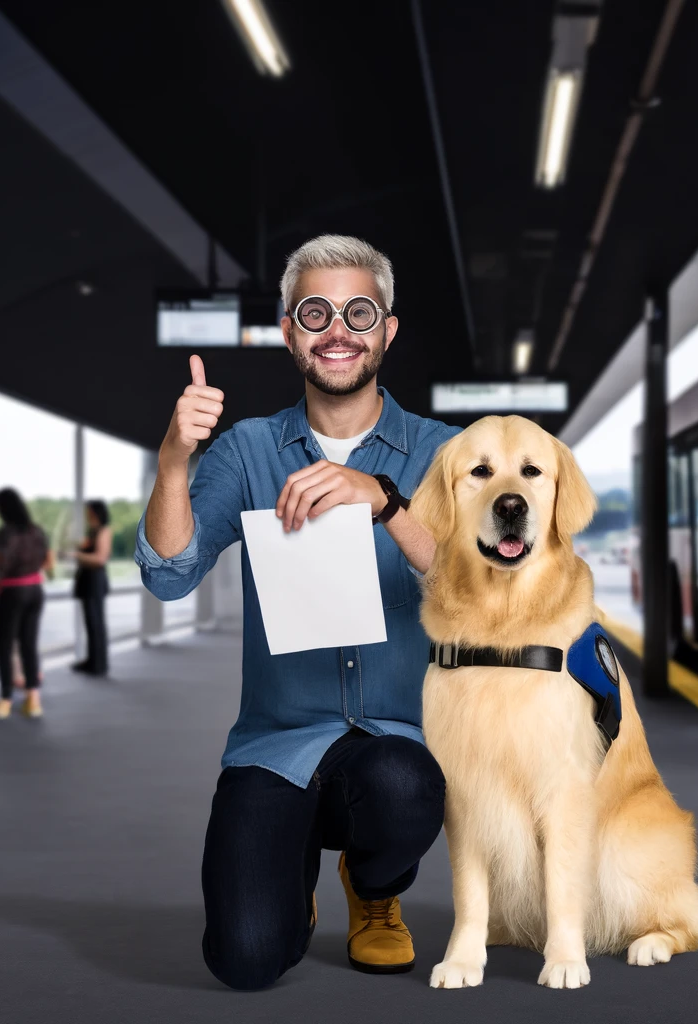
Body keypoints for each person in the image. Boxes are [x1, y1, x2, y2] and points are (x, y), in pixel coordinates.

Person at [136, 235, 459, 990]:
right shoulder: (247, 451)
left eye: (359, 312)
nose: (337, 329)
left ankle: (375, 891)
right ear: (289, 331)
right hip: (278, 745)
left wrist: (388, 502)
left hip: (397, 744)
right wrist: (174, 462)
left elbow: (485, 596)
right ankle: (291, 882)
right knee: (246, 959)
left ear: (387, 330)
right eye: (316, 313)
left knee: (405, 784)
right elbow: (170, 576)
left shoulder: (448, 454)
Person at [0, 488, 53, 720]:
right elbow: (45, 559)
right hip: (35, 590)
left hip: (13, 590)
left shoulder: (6, 532)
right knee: (28, 644)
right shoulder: (37, 531)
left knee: (2, 642)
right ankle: (33, 701)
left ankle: (4, 700)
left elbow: (2, 563)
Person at [71, 499, 112, 676]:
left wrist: (77, 555)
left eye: (89, 511)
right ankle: (92, 661)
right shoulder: (92, 531)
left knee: (96, 623)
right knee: (90, 623)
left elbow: (100, 559)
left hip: (95, 580)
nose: (87, 515)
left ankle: (99, 665)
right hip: (87, 580)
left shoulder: (104, 531)